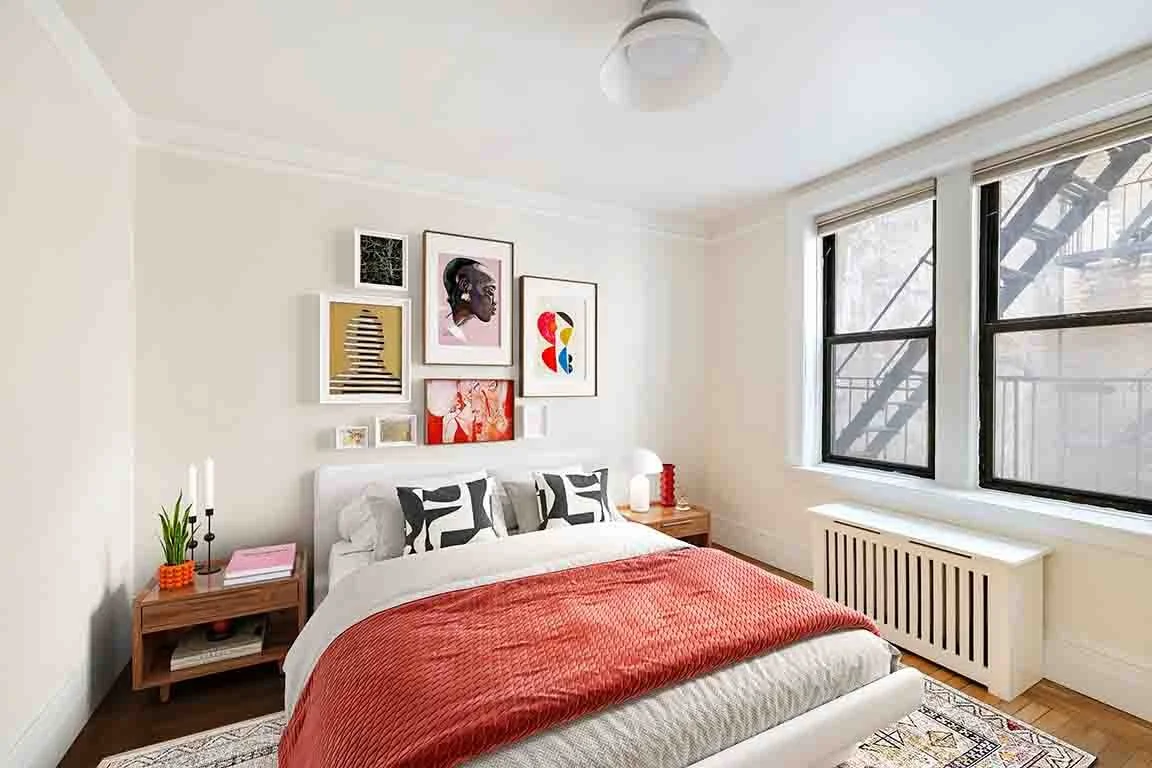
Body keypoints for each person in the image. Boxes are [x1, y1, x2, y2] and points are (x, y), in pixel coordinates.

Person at [439, 257, 497, 344]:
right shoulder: (443, 330)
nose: (494, 301)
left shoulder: (483, 338)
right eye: (489, 290)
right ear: (465, 286)